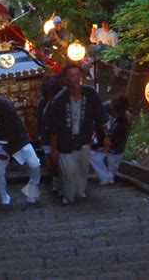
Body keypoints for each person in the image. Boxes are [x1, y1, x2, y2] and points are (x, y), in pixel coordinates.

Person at [47, 62, 110, 205]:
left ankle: (79, 194)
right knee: (68, 173)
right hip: (65, 142)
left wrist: (106, 136)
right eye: (71, 76)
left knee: (82, 171)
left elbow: (100, 116)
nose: (75, 79)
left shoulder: (90, 93)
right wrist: (54, 149)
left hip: (84, 139)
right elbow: (53, 127)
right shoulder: (59, 100)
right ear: (65, 79)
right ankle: (68, 197)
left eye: (77, 75)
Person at [0, 90, 42, 205]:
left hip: (16, 139)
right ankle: (3, 196)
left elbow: (9, 129)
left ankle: (31, 191)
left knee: (34, 164)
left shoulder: (5, 105)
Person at [90, 94, 132, 184]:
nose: (116, 114)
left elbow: (115, 139)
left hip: (117, 147)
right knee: (92, 154)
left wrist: (107, 143)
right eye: (114, 111)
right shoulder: (105, 107)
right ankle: (106, 177)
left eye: (119, 112)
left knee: (112, 170)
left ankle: (109, 175)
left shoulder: (125, 120)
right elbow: (96, 121)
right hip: (102, 140)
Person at [37, 76, 63, 195]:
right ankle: (56, 182)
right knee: (52, 162)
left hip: (61, 134)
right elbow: (41, 123)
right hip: (47, 136)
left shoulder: (61, 100)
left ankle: (60, 184)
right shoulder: (43, 104)